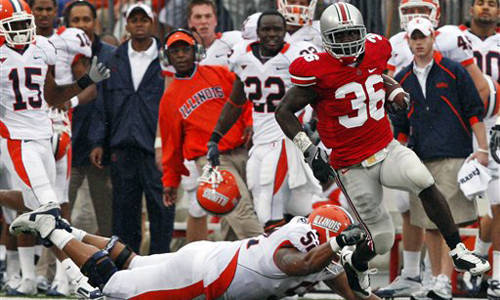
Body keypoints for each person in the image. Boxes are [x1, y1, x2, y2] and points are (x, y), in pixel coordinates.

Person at [274, 2, 490, 298]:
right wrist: (309, 150)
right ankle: (355, 262)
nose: (349, 43)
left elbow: (376, 75)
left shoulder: (376, 49)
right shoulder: (316, 70)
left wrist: (395, 90)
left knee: (422, 179)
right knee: (382, 239)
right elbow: (284, 112)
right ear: (326, 39)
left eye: (353, 34)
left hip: (386, 147)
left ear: (363, 32)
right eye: (341, 36)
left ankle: (457, 250)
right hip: (351, 164)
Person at [9, 201, 385, 300]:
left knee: (133, 262)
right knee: (112, 287)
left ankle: (67, 229)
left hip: (208, 258)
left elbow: (355, 296)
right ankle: (51, 231)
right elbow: (300, 263)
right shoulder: (301, 249)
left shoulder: (321, 252)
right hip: (202, 278)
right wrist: (339, 243)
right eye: (335, 245)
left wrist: (343, 254)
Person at [378, 0, 495, 296]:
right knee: (417, 213)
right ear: (408, 39)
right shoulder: (401, 68)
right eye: (414, 36)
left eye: (423, 35)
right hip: (418, 150)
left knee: (454, 217)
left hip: (454, 146)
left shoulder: (452, 59)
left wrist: (480, 143)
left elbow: (477, 98)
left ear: (434, 33)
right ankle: (416, 274)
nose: (418, 42)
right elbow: (394, 112)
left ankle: (447, 276)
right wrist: (394, 148)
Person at [0, 0, 109, 297]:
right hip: (18, 141)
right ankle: (80, 280)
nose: (22, 31)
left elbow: (52, 96)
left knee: (49, 213)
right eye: (14, 26)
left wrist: (85, 81)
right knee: (49, 211)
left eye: (25, 23)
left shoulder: (43, 47)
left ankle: (76, 276)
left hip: (45, 135)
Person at [207, 11, 322, 231]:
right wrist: (215, 137)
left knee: (269, 205)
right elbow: (235, 102)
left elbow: (319, 92)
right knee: (280, 204)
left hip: (286, 140)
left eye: (277, 29)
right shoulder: (242, 56)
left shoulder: (297, 56)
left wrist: (313, 123)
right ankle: (308, 250)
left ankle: (285, 259)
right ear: (257, 32)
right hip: (260, 141)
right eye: (266, 29)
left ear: (285, 31)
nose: (271, 34)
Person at [159, 28, 262, 242]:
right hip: (211, 161)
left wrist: (249, 122)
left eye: (185, 49)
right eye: (175, 51)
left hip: (241, 150)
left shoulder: (218, 73)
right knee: (241, 211)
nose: (180, 55)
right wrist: (171, 181)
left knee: (234, 222)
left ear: (195, 51)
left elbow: (243, 98)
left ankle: (234, 269)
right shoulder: (169, 98)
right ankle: (272, 257)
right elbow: (172, 145)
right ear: (166, 57)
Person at [90, 3, 174, 254]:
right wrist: (97, 141)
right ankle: (126, 269)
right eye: (134, 19)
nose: (139, 23)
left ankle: (160, 266)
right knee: (125, 212)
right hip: (123, 147)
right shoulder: (113, 59)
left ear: (152, 22)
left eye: (144, 19)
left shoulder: (167, 57)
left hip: (156, 149)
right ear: (126, 23)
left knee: (161, 210)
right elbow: (102, 103)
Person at [28, 0, 98, 295]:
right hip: (23, 124)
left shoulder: (67, 40)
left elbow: (90, 83)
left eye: (48, 9)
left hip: (55, 124)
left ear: (55, 12)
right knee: (25, 199)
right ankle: (25, 273)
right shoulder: (12, 40)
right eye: (38, 10)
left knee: (56, 199)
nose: (44, 15)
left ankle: (65, 274)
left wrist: (66, 101)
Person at [457, 1, 499, 297]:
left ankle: (489, 266)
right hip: (459, 125)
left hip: (496, 123)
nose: (486, 8)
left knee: (496, 205)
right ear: (471, 8)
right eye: (480, 2)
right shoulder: (452, 37)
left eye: (492, 3)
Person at [64, 0, 115, 239]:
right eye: (76, 20)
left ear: (95, 22)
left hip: (101, 150)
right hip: (67, 148)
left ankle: (111, 269)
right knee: (56, 216)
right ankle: (49, 273)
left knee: (107, 219)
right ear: (67, 25)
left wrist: (104, 142)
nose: (82, 25)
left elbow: (112, 104)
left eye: (86, 19)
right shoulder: (59, 54)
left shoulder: (111, 55)